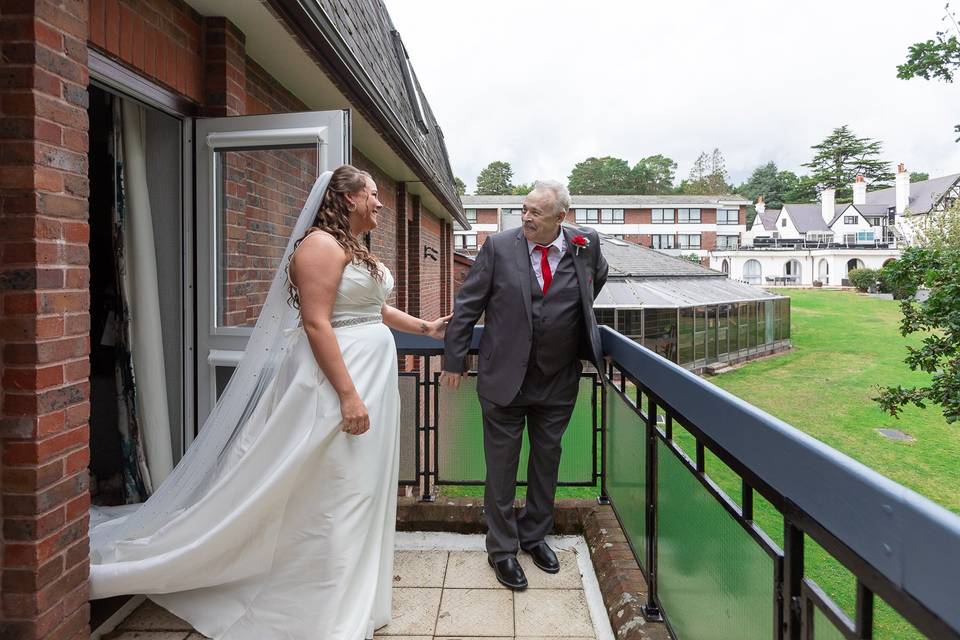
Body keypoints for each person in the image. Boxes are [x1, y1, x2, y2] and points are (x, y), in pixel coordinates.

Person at [89, 165, 449, 639]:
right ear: (347, 199)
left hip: (370, 378)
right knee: (337, 489)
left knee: (363, 486)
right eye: (374, 195)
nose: (380, 204)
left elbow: (369, 307)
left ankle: (357, 598)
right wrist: (348, 396)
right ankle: (325, 610)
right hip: (338, 384)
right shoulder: (319, 245)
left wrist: (424, 328)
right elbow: (318, 324)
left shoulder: (352, 247)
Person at [441, 180, 608, 590]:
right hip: (504, 379)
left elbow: (596, 281)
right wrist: (454, 360)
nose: (527, 217)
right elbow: (467, 305)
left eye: (536, 212)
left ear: (561, 218)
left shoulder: (586, 245)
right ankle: (501, 550)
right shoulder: (498, 247)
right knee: (501, 469)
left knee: (546, 461)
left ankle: (534, 536)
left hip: (558, 378)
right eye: (524, 209)